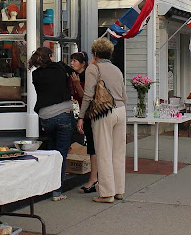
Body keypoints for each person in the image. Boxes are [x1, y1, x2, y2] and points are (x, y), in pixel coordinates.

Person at [77, 37, 128, 203]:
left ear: (95, 53)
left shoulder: (93, 68)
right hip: (121, 110)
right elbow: (124, 95)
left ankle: (107, 193)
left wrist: (81, 116)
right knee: (118, 152)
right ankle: (119, 190)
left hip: (103, 112)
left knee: (103, 153)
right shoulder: (116, 69)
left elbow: (88, 95)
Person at [30, 46, 74, 202]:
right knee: (61, 153)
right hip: (63, 113)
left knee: (51, 151)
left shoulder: (36, 74)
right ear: (50, 56)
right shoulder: (61, 67)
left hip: (45, 116)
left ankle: (45, 187)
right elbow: (74, 73)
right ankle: (57, 192)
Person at [70, 51, 98, 193]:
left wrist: (76, 84)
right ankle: (95, 179)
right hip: (84, 114)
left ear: (83, 64)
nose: (72, 63)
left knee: (94, 147)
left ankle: (94, 180)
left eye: (75, 61)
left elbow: (85, 96)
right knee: (91, 147)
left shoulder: (87, 77)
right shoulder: (74, 77)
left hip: (91, 115)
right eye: (72, 60)